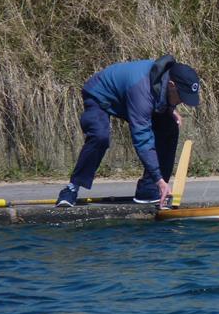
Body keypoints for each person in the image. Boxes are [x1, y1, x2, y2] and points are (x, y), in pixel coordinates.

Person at [56, 55, 200, 209]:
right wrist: (159, 179)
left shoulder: (165, 77)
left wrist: (170, 109)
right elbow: (142, 139)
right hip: (99, 95)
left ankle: (148, 190)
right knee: (100, 137)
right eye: (182, 97)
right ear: (171, 85)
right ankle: (71, 188)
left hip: (127, 95)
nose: (182, 102)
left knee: (169, 126)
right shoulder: (142, 91)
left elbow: (162, 94)